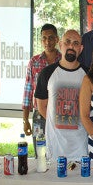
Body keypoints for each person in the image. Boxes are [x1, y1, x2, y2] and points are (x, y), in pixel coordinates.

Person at [34, 29, 88, 161]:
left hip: (81, 146)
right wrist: (60, 123)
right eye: (67, 42)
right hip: (55, 146)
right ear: (61, 45)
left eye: (75, 43)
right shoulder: (46, 73)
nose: (71, 46)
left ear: (80, 49)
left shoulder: (88, 74)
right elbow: (42, 107)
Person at [22, 23, 61, 158]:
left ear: (57, 39)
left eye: (50, 38)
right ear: (41, 40)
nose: (47, 42)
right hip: (39, 115)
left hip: (60, 113)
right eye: (44, 38)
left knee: (59, 151)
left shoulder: (63, 61)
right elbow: (28, 91)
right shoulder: (34, 62)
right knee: (41, 153)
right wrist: (25, 119)